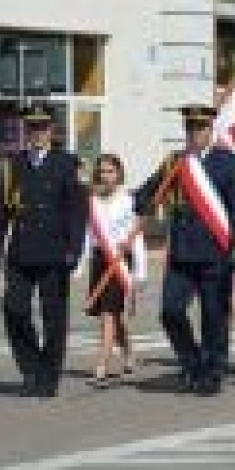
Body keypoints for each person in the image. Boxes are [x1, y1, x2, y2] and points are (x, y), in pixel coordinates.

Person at [134, 104, 235, 396]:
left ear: (210, 130)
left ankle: (213, 369)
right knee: (171, 312)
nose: (194, 134)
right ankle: (191, 361)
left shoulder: (228, 162)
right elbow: (149, 190)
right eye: (190, 129)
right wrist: (140, 201)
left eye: (200, 128)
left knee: (214, 316)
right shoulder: (175, 162)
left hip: (216, 252)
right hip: (182, 253)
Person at [0, 103, 87, 398]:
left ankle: (49, 377)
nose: (36, 133)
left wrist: (75, 250)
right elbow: (4, 213)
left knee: (53, 317)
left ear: (52, 130)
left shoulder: (69, 164)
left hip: (55, 253)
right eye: (31, 127)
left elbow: (77, 211)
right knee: (14, 310)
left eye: (42, 127)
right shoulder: (13, 165)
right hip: (21, 251)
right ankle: (31, 366)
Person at [78, 154, 147, 389]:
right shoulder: (93, 201)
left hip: (119, 261)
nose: (105, 175)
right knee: (114, 316)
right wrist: (80, 263)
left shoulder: (129, 200)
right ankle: (128, 353)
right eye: (102, 171)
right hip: (100, 259)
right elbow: (88, 235)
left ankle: (101, 367)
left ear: (119, 174)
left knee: (109, 314)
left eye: (110, 171)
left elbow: (135, 237)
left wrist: (140, 270)